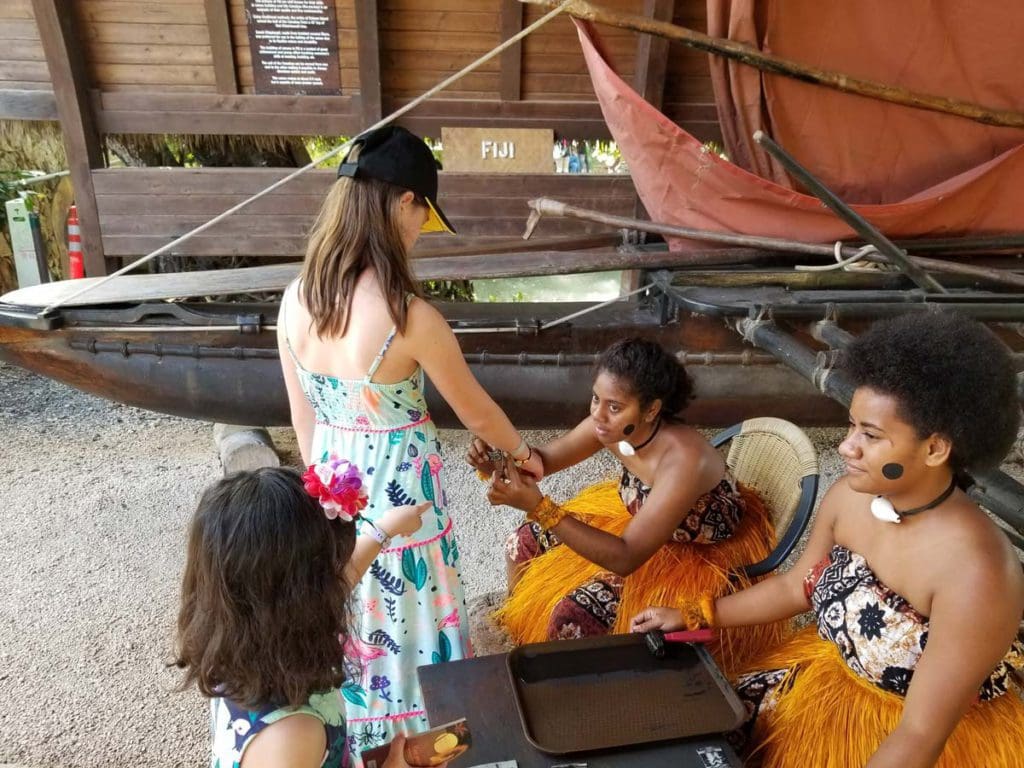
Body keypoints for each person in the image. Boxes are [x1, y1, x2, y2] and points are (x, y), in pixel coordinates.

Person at [632, 312, 1024, 768]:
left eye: (871, 436)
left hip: (906, 739)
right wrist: (696, 614)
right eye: (852, 426)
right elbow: (797, 585)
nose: (845, 447)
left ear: (936, 449)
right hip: (822, 681)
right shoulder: (850, 499)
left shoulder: (978, 574)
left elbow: (920, 735)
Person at [276, 124, 543, 761]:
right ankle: (428, 747)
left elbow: (303, 422)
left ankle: (358, 744)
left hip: (334, 494)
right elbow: (477, 412)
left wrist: (326, 503)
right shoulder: (408, 318)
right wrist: (524, 454)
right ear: (403, 203)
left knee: (353, 615)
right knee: (417, 621)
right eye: (425, 211)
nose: (423, 227)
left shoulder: (293, 301)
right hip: (405, 493)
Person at [472, 338, 785, 673]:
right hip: (644, 531)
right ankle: (517, 634)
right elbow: (542, 461)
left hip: (698, 557)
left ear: (651, 410)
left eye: (615, 407)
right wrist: (498, 463)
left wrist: (538, 507)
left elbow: (625, 557)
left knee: (572, 616)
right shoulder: (607, 427)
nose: (598, 415)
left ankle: (564, 690)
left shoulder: (682, 460)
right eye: (596, 398)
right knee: (522, 542)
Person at [174, 464, 443, 768]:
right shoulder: (291, 737)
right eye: (330, 572)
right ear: (306, 602)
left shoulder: (238, 655)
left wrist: (383, 530)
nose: (339, 581)